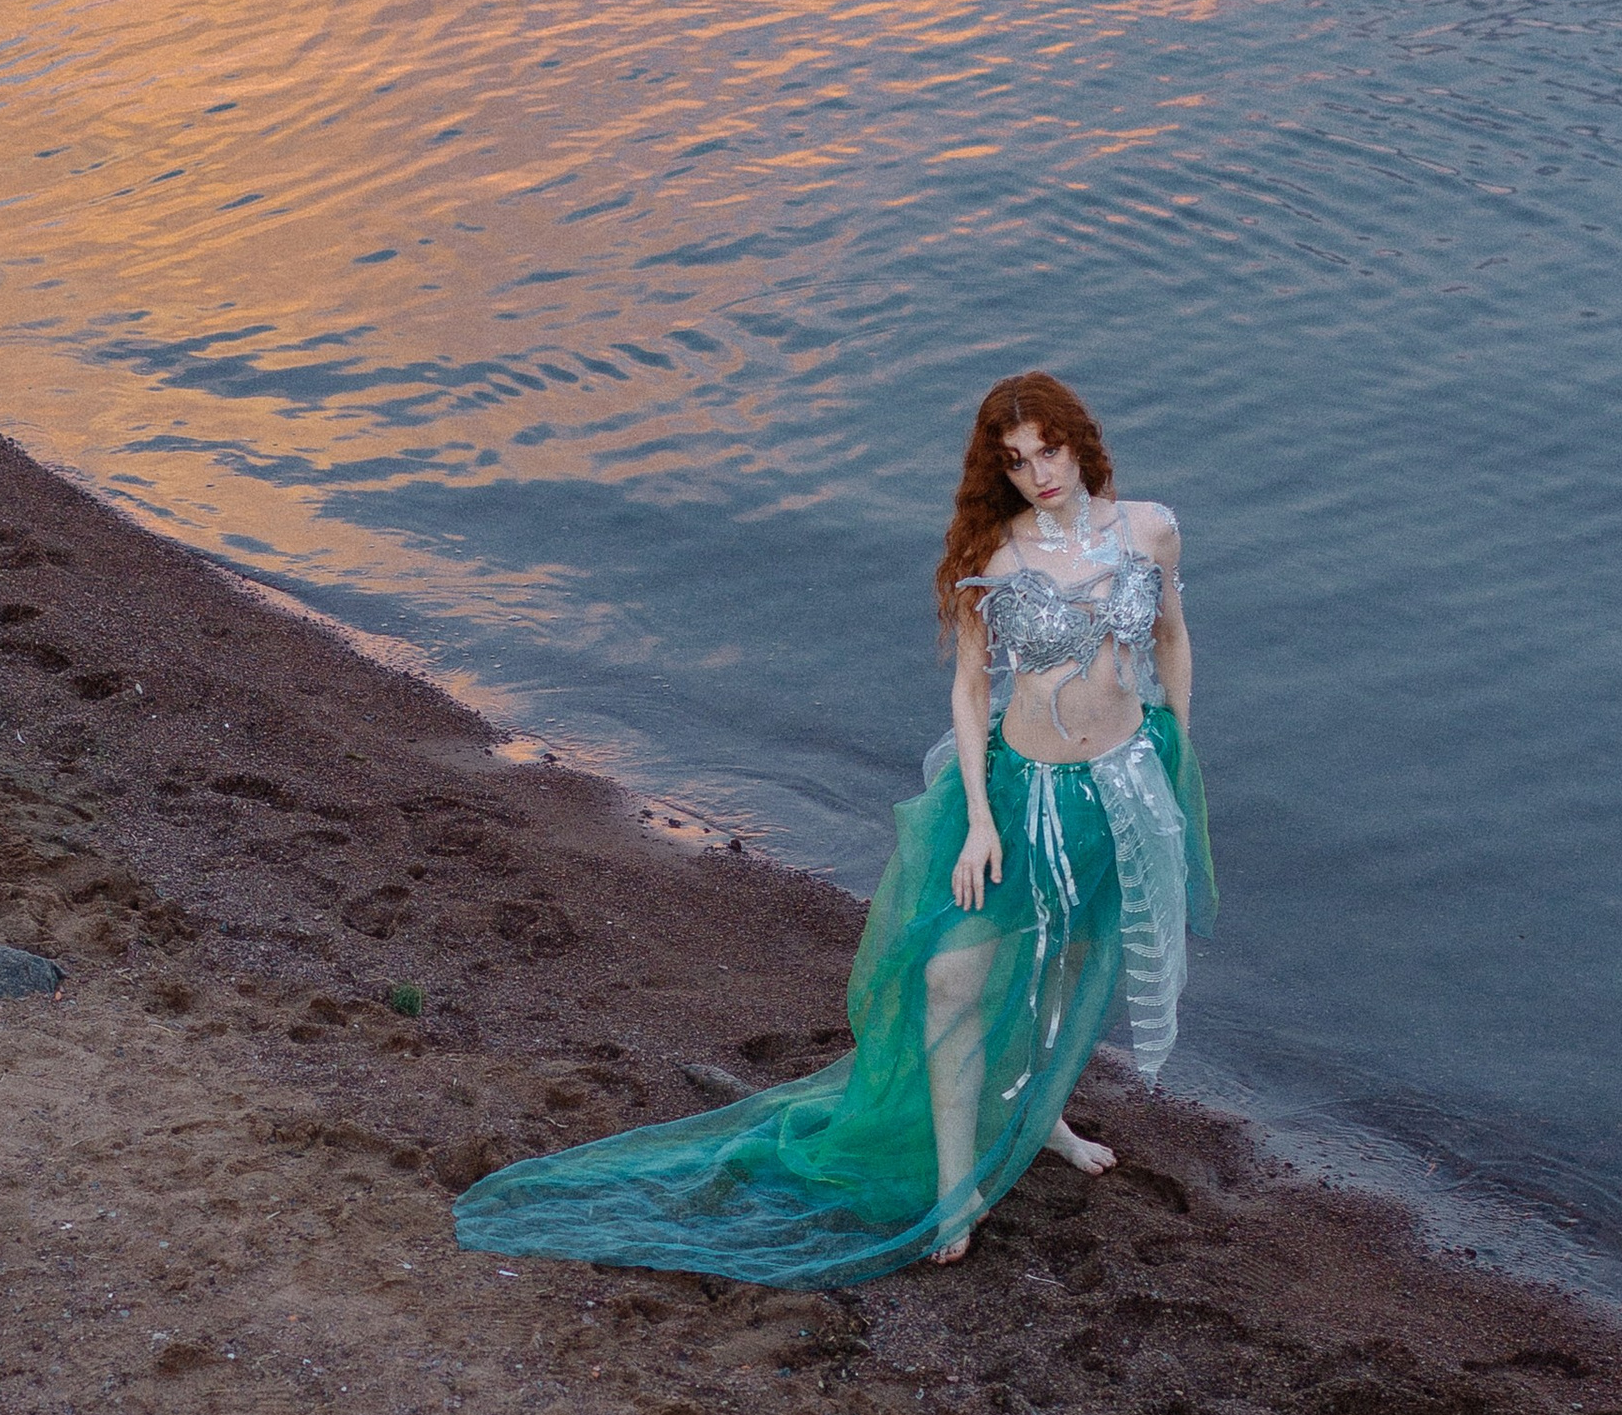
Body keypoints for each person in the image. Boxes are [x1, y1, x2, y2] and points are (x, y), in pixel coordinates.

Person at [450, 370, 1211, 1283]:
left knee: (1073, 958)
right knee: (950, 980)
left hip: (1122, 784)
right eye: (1016, 462)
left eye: (1049, 451)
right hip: (1023, 793)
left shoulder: (1153, 530)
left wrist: (1176, 752)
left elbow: (1170, 637)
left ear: (1080, 443)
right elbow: (972, 690)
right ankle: (958, 1188)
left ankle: (1044, 1115)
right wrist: (977, 819)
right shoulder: (1000, 557)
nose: (1039, 474)